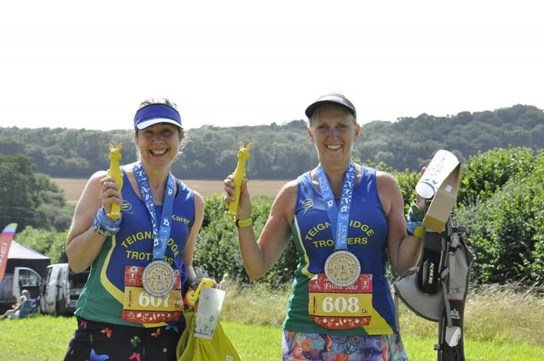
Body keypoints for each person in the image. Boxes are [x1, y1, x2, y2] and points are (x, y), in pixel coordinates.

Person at [224, 93, 424, 360]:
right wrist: (244, 217)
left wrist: (422, 212)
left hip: (373, 328)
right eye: (323, 128)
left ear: (356, 131)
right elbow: (257, 267)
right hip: (308, 333)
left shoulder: (383, 187)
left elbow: (402, 264)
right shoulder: (292, 194)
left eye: (341, 126)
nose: (333, 135)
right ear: (310, 134)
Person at [63, 98, 205, 361]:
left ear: (180, 138)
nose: (157, 141)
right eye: (148, 133)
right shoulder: (106, 183)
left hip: (166, 334)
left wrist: (200, 285)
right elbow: (76, 261)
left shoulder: (193, 202)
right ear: (136, 138)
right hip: (104, 328)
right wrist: (103, 222)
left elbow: (185, 266)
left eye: (166, 132)